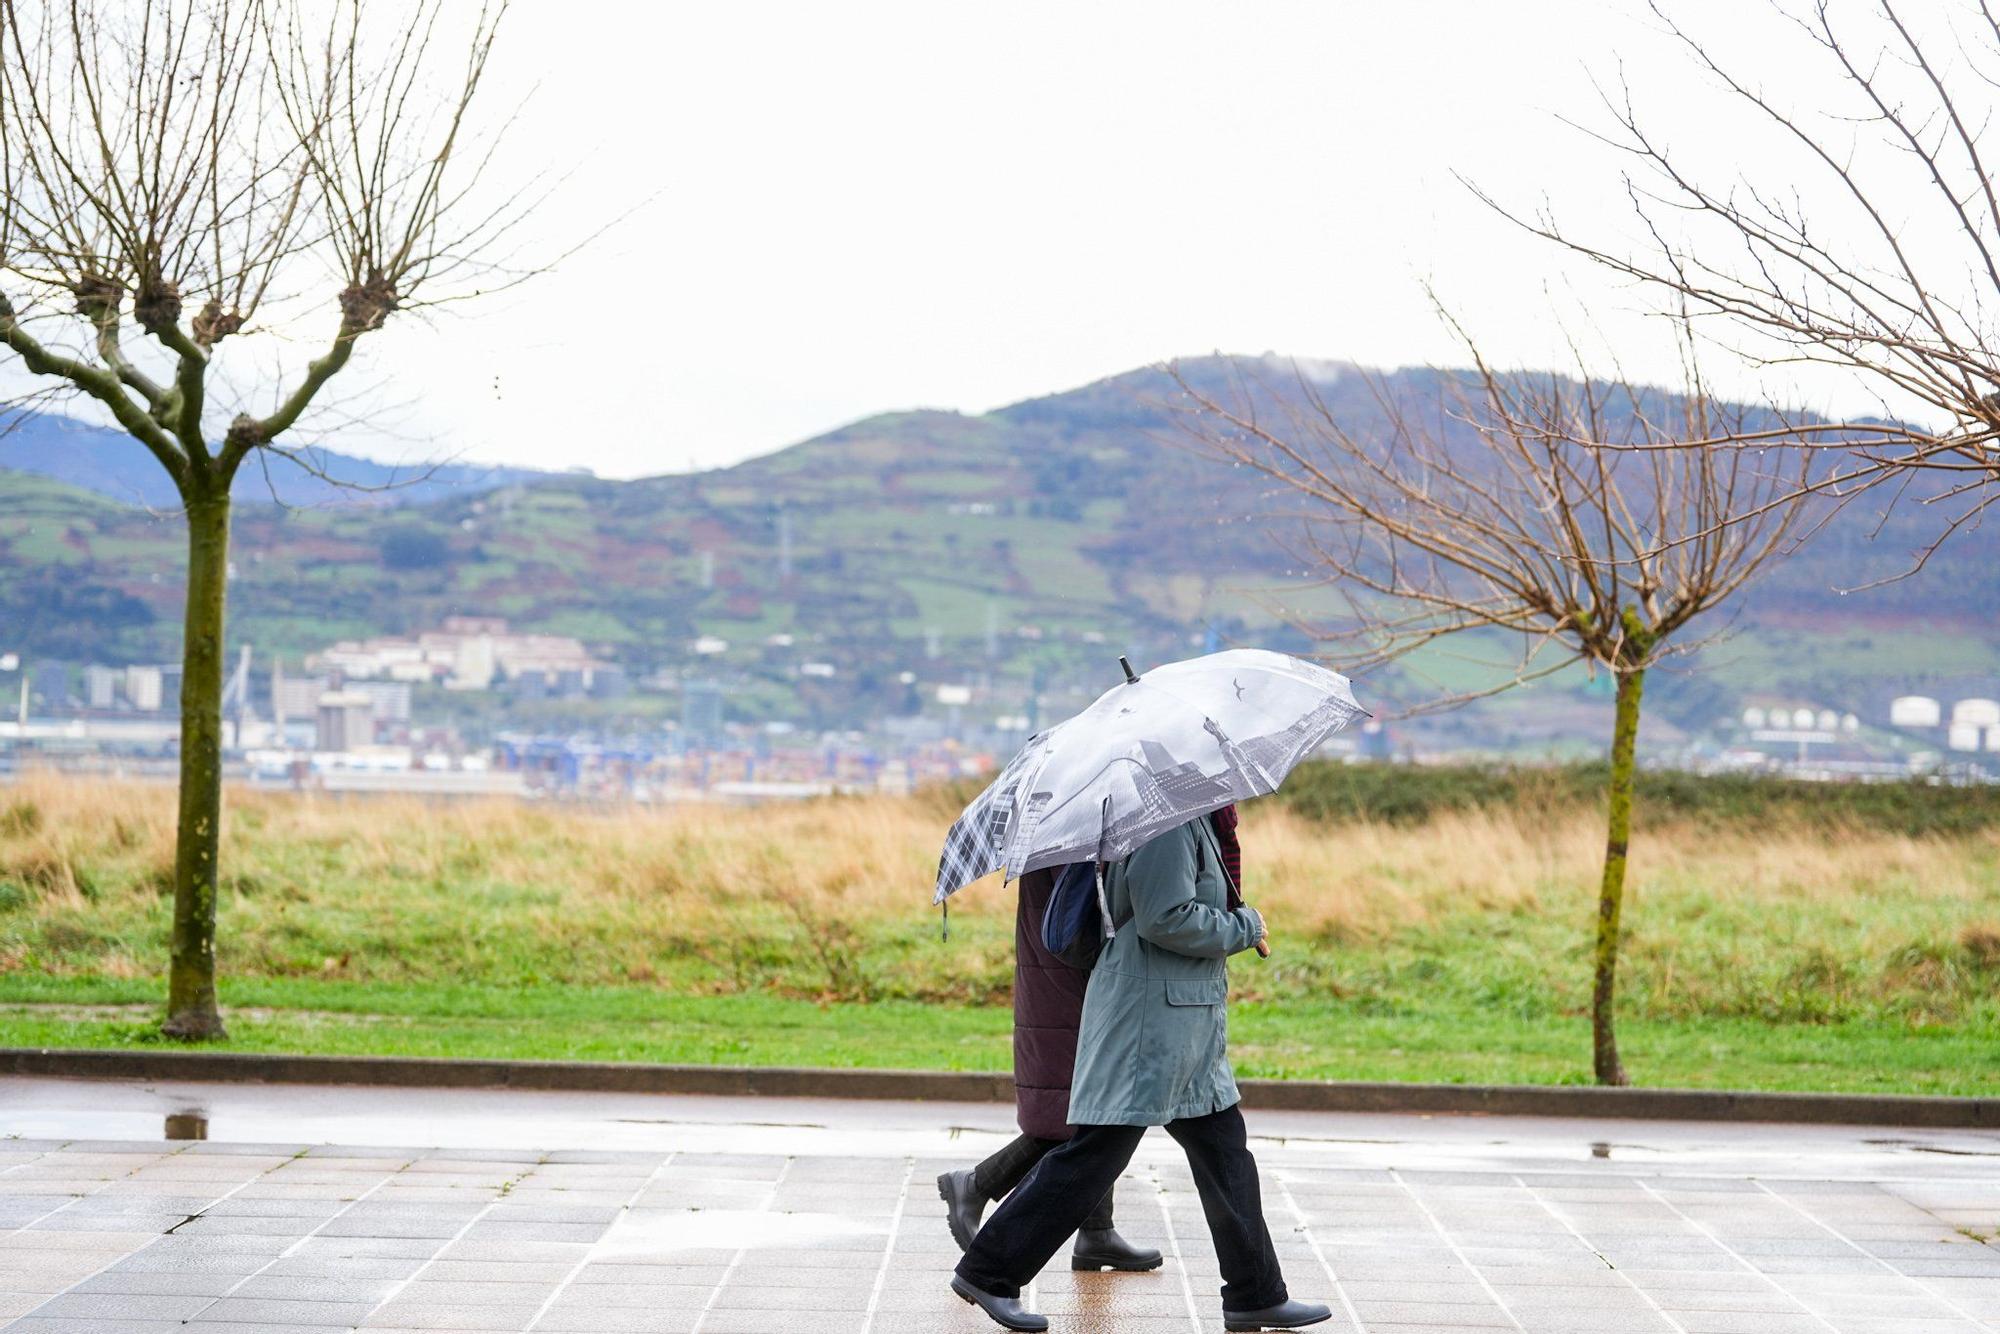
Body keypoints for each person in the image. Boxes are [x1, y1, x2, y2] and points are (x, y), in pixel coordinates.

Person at [950, 810, 1332, 1333]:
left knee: (1226, 1156)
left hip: (1185, 1019)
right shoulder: (1167, 826)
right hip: (1148, 1020)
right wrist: (1246, 926)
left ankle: (1255, 1295)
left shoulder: (1195, 821)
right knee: (1094, 1155)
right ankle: (989, 1273)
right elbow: (1165, 917)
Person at [936, 866, 1161, 1273]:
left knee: (1092, 1104)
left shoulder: (1070, 822)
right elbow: (1087, 913)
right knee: (1077, 1113)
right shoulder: (1073, 833)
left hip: (1063, 976)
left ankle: (1097, 1232)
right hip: (1068, 980)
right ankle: (976, 1184)